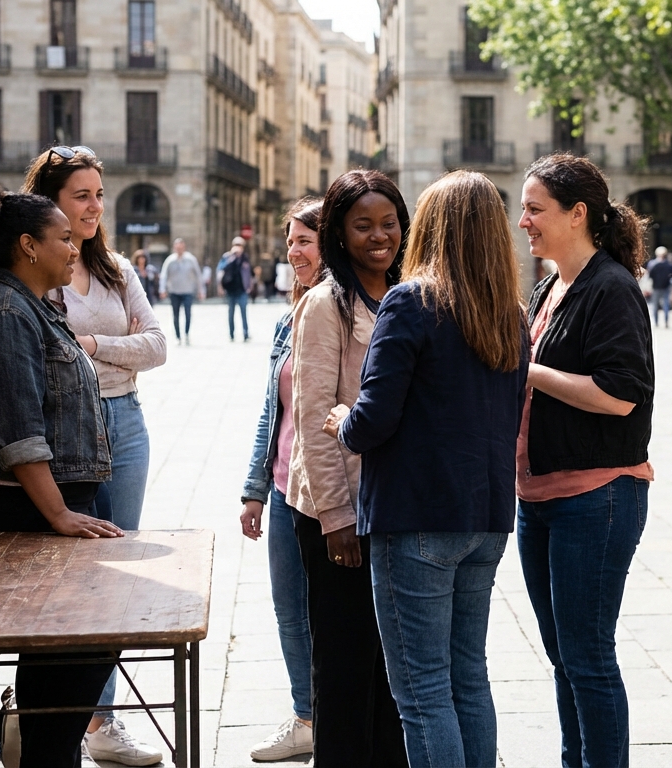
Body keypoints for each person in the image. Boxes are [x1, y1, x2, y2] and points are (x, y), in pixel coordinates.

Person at [324, 171, 529, 768]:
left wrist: (342, 418)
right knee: (468, 677)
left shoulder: (410, 301)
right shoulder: (510, 314)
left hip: (415, 517)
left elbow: (373, 422)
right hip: (486, 518)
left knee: (422, 692)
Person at [0, 185, 125, 768]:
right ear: (28, 246)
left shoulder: (32, 306)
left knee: (78, 650)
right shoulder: (4, 314)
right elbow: (17, 432)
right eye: (62, 238)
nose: (75, 246)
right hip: (25, 511)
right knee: (79, 647)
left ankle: (45, 750)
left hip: (51, 504)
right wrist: (58, 514)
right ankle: (44, 753)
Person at [22, 145, 168, 767]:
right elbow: (46, 357)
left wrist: (91, 343)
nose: (94, 206)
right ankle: (60, 717)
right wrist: (113, 348)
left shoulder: (112, 268)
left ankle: (102, 721)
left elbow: (157, 345)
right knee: (74, 575)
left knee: (121, 566)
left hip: (126, 425)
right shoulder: (33, 269)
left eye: (98, 195)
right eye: (81, 195)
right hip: (66, 433)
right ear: (50, 202)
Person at [515, 153, 655, 768]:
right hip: (540, 496)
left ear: (578, 215)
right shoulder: (553, 285)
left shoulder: (612, 289)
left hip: (595, 497)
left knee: (588, 658)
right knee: (562, 655)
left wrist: (529, 370)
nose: (523, 221)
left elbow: (621, 396)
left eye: (534, 209)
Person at [288, 170, 410, 767]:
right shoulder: (324, 304)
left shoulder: (409, 291)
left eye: (388, 223)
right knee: (343, 662)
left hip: (396, 507)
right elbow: (314, 417)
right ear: (339, 231)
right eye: (363, 225)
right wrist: (336, 516)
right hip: (336, 513)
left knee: (395, 664)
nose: (378, 236)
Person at [238, 199, 326, 762]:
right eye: (289, 240)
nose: (292, 251)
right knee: (288, 606)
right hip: (284, 486)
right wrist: (254, 486)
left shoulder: (357, 311)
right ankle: (305, 716)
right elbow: (274, 413)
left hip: (336, 493)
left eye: (304, 241)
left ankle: (339, 716)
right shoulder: (284, 319)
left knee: (336, 612)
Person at [159, 238, 202, 344]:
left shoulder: (191, 259)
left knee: (188, 313)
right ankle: (178, 336)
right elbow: (164, 275)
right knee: (175, 314)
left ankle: (186, 334)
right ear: (174, 248)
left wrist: (201, 290)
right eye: (177, 247)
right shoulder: (170, 260)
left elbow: (198, 275)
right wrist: (162, 289)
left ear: (184, 247)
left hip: (188, 291)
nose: (179, 249)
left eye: (181, 247)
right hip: (174, 292)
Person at [218, 236, 254, 340]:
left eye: (240, 245)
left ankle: (245, 333)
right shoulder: (227, 257)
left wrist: (249, 285)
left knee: (243, 312)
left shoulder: (245, 258)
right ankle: (231, 334)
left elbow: (249, 272)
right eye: (236, 245)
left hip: (242, 289)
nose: (238, 247)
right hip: (230, 290)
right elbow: (221, 269)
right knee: (231, 313)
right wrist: (232, 257)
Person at [645, 246, 672, 327]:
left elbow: (649, 275)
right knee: (666, 305)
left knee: (655, 305)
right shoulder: (669, 264)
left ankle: (656, 322)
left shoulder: (652, 264)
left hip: (656, 287)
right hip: (666, 287)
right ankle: (666, 322)